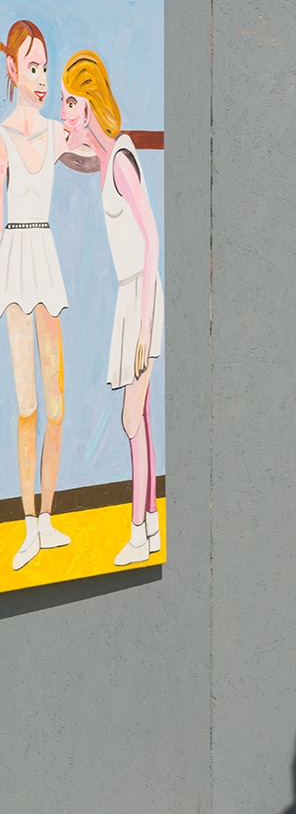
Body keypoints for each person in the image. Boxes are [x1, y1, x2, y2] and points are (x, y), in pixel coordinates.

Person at [59, 50, 164, 566]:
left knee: (129, 420)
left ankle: (138, 532)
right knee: (141, 416)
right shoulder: (104, 157)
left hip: (141, 297)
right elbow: (78, 160)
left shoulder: (120, 161)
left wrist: (144, 325)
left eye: (70, 102)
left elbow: (152, 239)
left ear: (89, 102)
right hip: (129, 297)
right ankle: (153, 526)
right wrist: (58, 144)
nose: (64, 111)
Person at [0, 21, 82, 569]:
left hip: (45, 262)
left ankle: (47, 519)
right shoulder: (2, 137)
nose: (43, 77)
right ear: (12, 70)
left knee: (56, 406)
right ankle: (28, 523)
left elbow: (96, 152)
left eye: (46, 68)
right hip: (14, 264)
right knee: (26, 404)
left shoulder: (56, 133)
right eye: (33, 67)